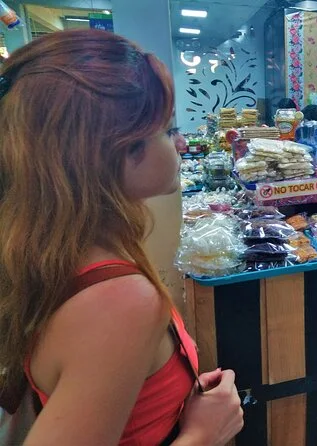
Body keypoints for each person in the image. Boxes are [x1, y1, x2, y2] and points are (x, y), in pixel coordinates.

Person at [0, 29, 243, 445]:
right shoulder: (120, 300)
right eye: (168, 129)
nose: (181, 143)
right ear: (116, 151)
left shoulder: (48, 252)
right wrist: (204, 433)